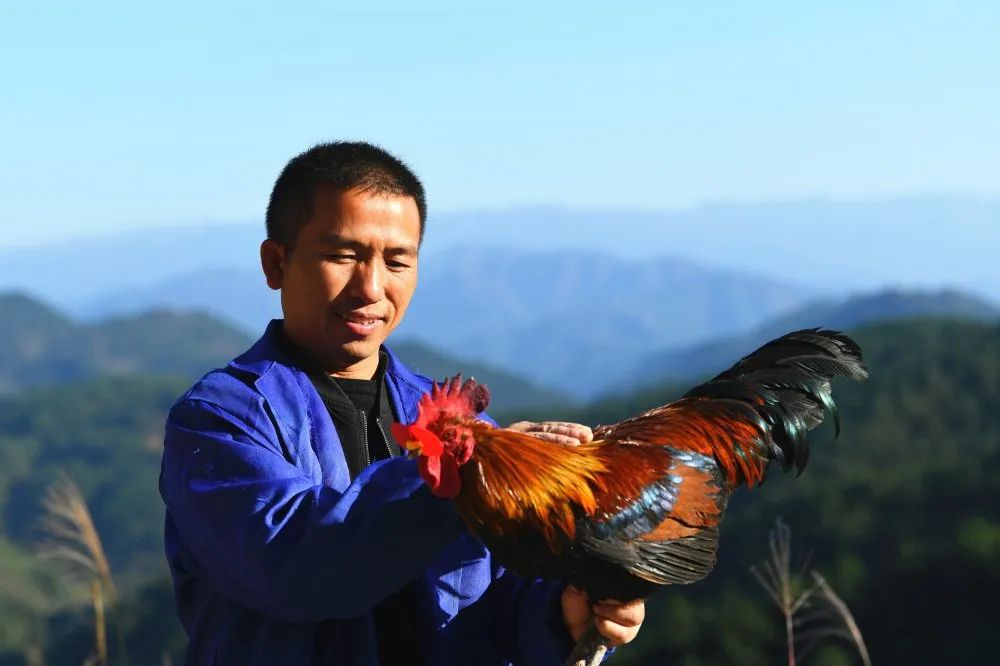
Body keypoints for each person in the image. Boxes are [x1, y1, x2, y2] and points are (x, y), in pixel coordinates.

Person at [159, 141, 645, 665]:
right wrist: (456, 478)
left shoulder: (461, 422)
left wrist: (562, 615)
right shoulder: (219, 421)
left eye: (397, 261)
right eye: (343, 255)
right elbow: (297, 566)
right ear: (276, 262)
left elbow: (496, 599)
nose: (371, 287)